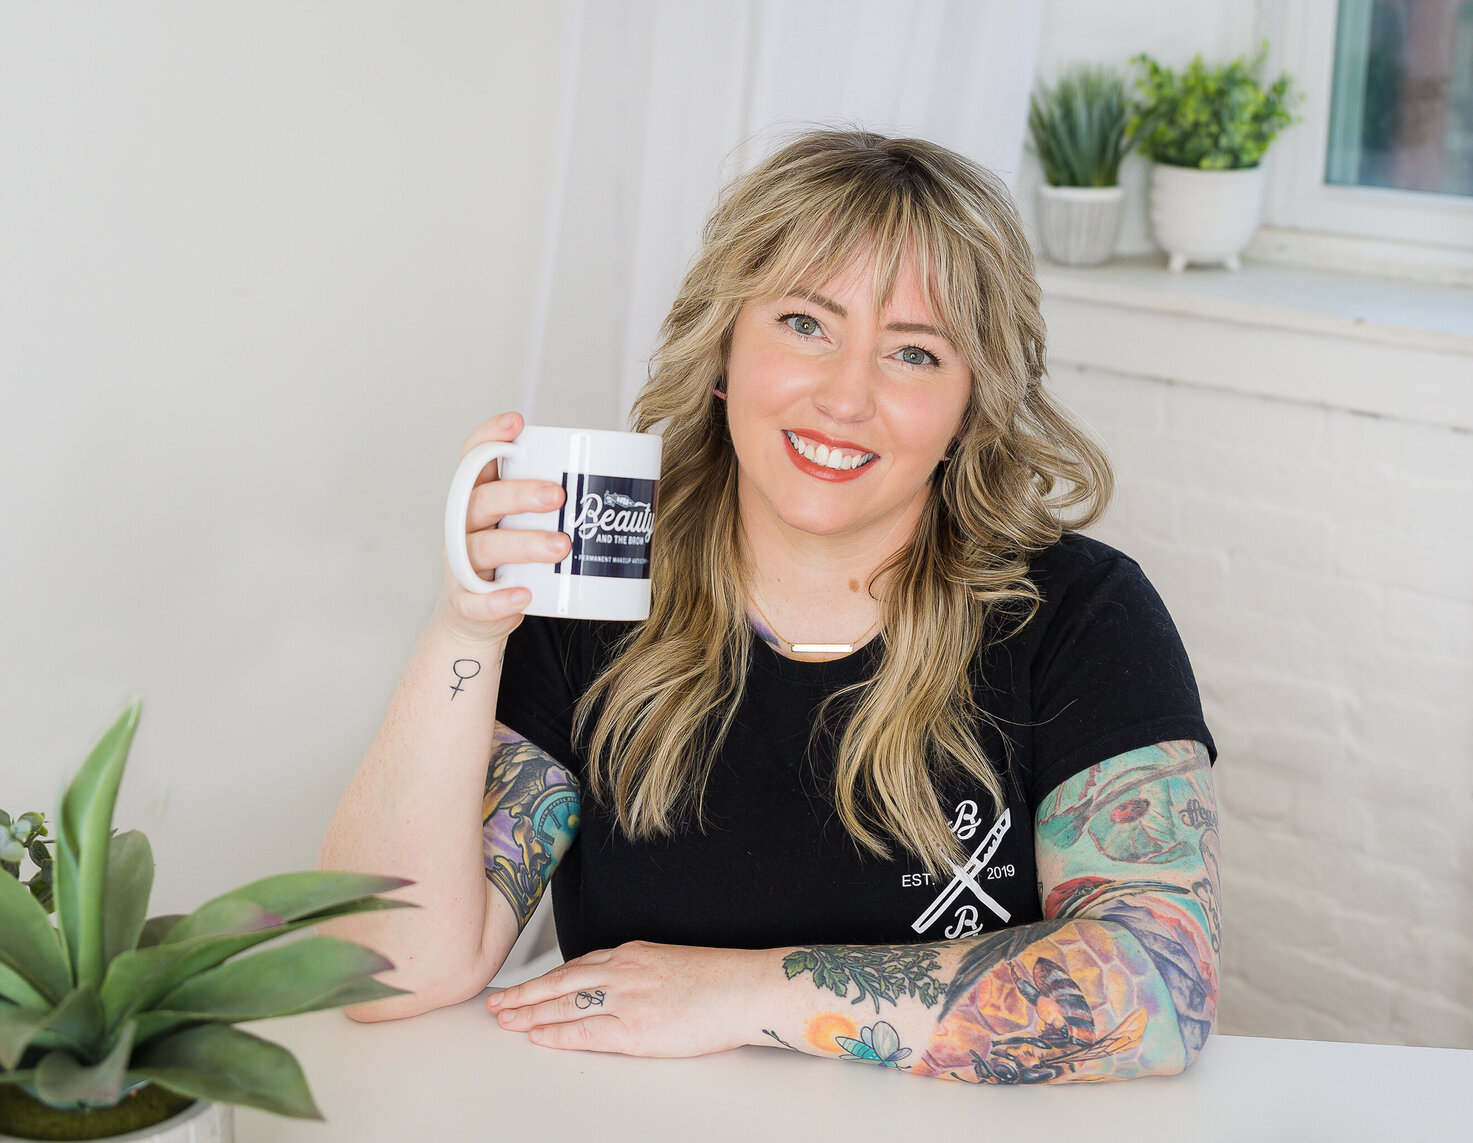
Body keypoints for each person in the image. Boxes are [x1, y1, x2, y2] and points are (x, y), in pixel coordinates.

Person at [318, 127, 1220, 1085]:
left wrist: (739, 993)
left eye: (913, 353)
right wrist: (467, 628)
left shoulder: (1082, 613)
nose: (845, 396)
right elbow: (379, 967)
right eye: (804, 324)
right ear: (722, 349)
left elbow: (1161, 986)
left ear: (972, 408)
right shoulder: (599, 587)